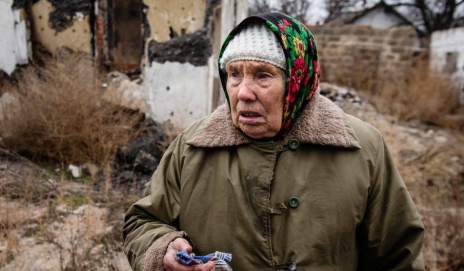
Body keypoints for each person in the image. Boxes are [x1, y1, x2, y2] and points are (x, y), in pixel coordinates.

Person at [123, 12, 425, 271]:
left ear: (298, 81)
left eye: (263, 75)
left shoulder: (363, 149)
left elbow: (400, 255)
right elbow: (142, 222)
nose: (243, 92)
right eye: (234, 74)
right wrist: (162, 247)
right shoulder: (192, 146)